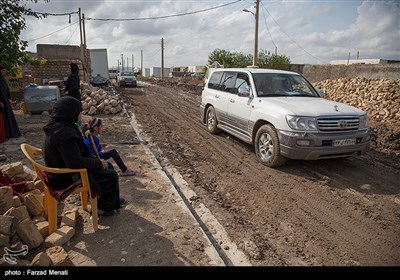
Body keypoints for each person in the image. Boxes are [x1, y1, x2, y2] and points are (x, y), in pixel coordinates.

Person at [42, 96, 124, 216]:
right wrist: (98, 162)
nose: (80, 115)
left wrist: (97, 161)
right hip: (65, 176)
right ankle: (104, 208)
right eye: (78, 112)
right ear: (70, 112)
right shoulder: (63, 133)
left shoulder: (59, 126)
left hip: (62, 169)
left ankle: (112, 201)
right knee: (110, 175)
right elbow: (75, 163)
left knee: (108, 166)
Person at [0, 65, 22, 141]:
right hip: (2, 102)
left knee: (8, 116)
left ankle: (10, 133)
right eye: (2, 71)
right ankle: (5, 134)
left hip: (5, 101)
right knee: (4, 119)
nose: (4, 72)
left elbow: (6, 90)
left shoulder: (2, 79)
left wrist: (9, 98)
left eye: (5, 71)